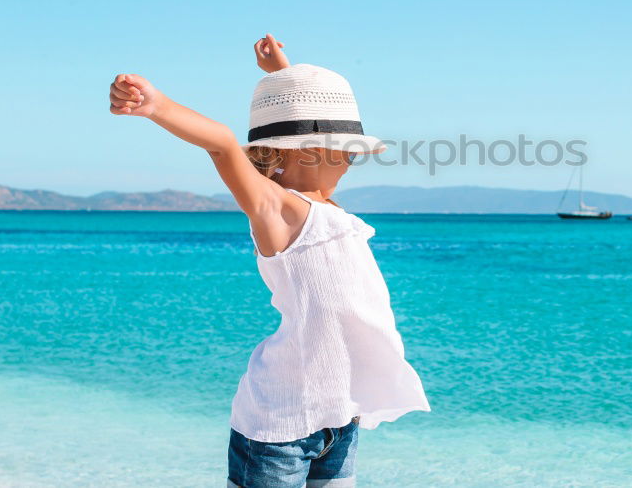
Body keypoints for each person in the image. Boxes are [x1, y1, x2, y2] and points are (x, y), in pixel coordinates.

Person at [107, 35, 431, 487]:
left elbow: (300, 120)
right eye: (348, 151)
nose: (353, 161)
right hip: (278, 428)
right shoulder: (279, 211)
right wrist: (156, 105)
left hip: (340, 415)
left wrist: (282, 75)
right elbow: (221, 143)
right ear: (306, 152)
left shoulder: (332, 214)